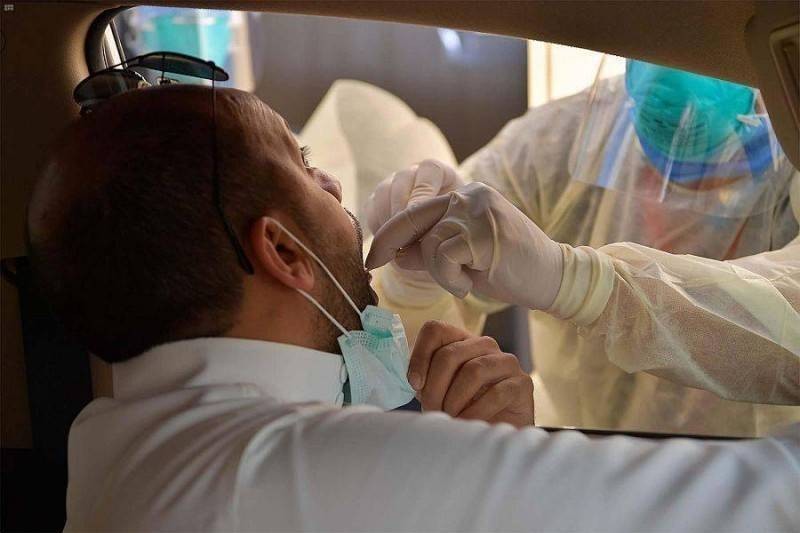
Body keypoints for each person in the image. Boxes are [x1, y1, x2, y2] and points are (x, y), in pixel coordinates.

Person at [28, 84, 798, 532]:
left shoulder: (110, 437)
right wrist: (477, 462)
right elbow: (764, 499)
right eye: (306, 165)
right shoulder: (314, 468)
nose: (336, 185)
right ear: (285, 252)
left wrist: (470, 451)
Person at [365, 60, 800, 437]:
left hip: (754, 478)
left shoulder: (792, 151)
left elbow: (789, 317)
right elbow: (410, 347)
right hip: (584, 456)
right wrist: (416, 282)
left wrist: (581, 284)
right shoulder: (562, 141)